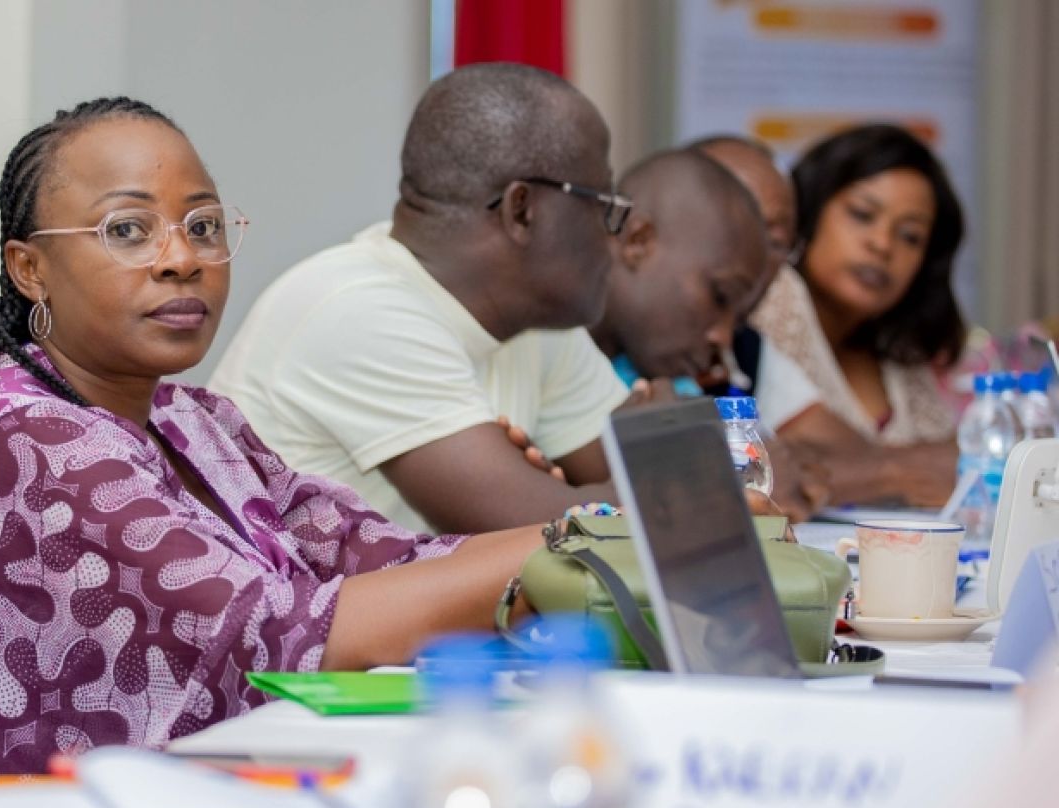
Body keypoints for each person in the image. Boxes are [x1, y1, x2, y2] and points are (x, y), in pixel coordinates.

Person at [0, 98, 544, 778]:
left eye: (203, 226)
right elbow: (275, 634)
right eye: (128, 230)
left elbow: (376, 554)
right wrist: (573, 549)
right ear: (30, 269)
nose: (182, 259)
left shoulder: (193, 419)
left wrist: (587, 537)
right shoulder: (22, 434)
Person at [209, 63, 640, 535]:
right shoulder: (356, 309)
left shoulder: (536, 322)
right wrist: (618, 480)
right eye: (604, 207)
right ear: (522, 210)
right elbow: (547, 530)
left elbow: (644, 490)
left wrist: (610, 487)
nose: (614, 239)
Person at [700, 130, 963, 507]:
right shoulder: (773, 297)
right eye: (862, 215)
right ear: (807, 216)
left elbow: (948, 463)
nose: (882, 245)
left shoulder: (897, 346)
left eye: (910, 236)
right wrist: (898, 473)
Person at [588, 148, 828, 521]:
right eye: (718, 296)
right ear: (638, 240)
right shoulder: (544, 343)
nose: (723, 338)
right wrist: (720, 481)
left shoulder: (672, 379)